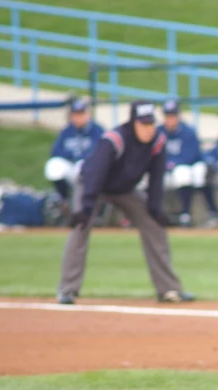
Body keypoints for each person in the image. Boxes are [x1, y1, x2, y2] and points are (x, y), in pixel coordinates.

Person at [56, 100, 194, 305]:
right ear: (133, 123)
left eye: (151, 124)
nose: (148, 129)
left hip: (125, 190)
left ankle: (169, 289)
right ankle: (68, 290)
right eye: (143, 124)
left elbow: (156, 179)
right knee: (80, 226)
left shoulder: (157, 141)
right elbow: (95, 173)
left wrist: (155, 209)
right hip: (93, 186)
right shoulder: (115, 139)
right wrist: (85, 206)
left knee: (155, 226)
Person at [159, 100, 218, 228]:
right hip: (165, 170)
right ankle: (151, 215)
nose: (170, 119)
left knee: (186, 173)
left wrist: (172, 163)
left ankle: (191, 214)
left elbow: (190, 156)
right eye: (168, 115)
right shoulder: (159, 132)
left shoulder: (188, 131)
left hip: (187, 168)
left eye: (173, 115)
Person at [45, 99, 104, 203]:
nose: (78, 117)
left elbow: (97, 153)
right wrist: (72, 156)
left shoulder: (97, 130)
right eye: (75, 114)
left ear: (88, 114)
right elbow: (55, 152)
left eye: (81, 114)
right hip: (71, 165)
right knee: (53, 166)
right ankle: (64, 198)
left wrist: (79, 157)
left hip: (88, 171)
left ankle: (83, 201)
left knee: (81, 165)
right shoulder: (67, 131)